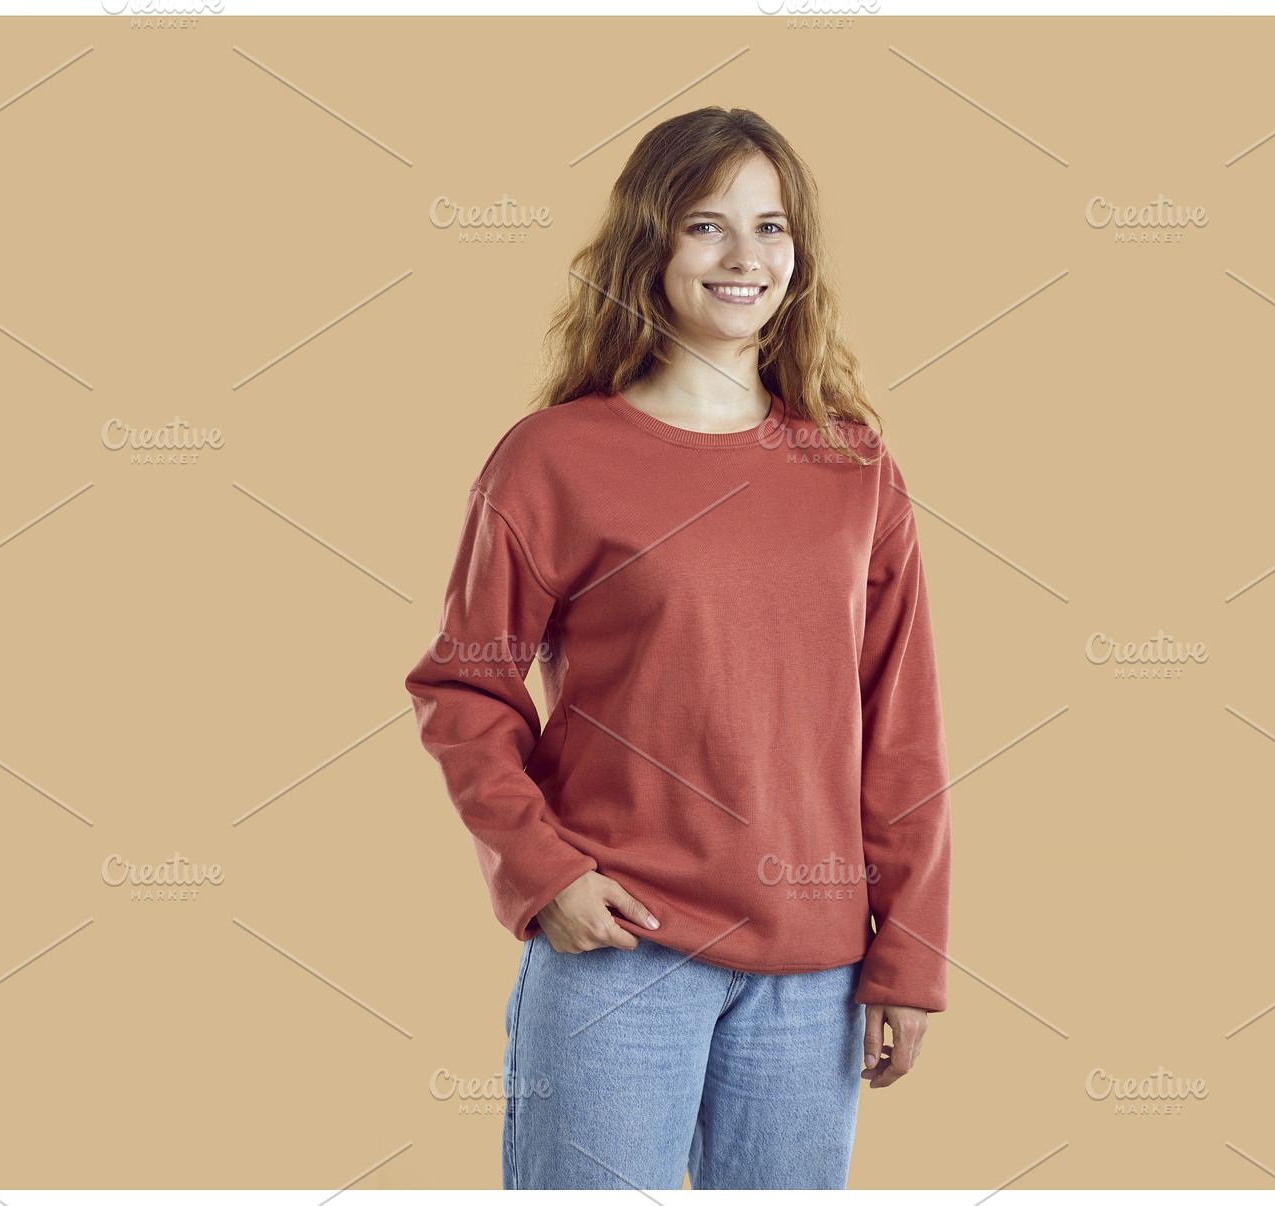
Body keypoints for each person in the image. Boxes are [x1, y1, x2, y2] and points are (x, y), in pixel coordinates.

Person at [404, 105, 952, 1191]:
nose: (745, 257)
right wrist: (543, 871)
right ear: (648, 246)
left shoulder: (851, 467)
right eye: (707, 226)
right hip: (620, 957)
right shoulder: (553, 459)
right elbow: (462, 689)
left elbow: (902, 727)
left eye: (772, 227)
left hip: (814, 972)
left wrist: (911, 951)